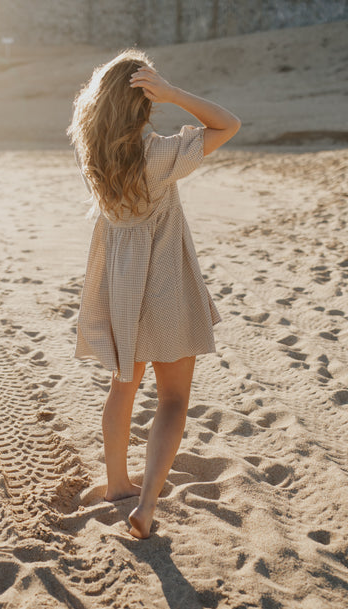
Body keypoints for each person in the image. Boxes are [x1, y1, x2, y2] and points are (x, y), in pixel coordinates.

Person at [67, 49, 240, 539]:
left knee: (123, 388)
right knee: (173, 399)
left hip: (121, 287)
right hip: (164, 286)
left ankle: (116, 482)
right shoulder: (159, 155)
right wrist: (172, 93)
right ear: (143, 103)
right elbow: (227, 124)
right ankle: (144, 505)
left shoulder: (93, 158)